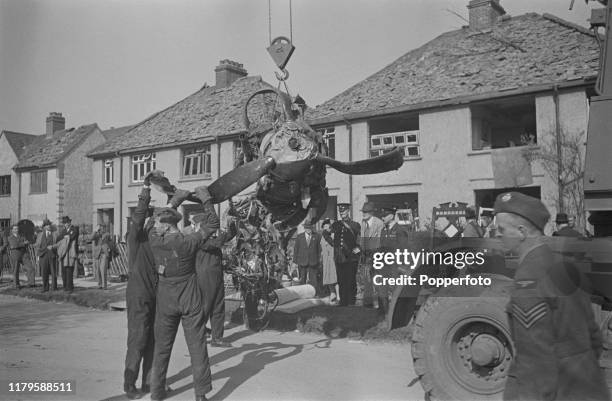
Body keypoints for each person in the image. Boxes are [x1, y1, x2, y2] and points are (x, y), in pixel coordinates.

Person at [493, 192, 609, 401]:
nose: (497, 235)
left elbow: (535, 363)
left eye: (501, 229)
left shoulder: (528, 279)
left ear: (521, 232)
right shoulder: (564, 265)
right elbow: (594, 336)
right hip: (588, 385)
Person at [148, 185, 218, 401]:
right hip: (189, 297)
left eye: (160, 224)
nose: (156, 226)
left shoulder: (155, 241)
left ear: (167, 227)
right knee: (197, 345)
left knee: (161, 346)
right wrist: (206, 199)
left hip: (166, 298)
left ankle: (157, 392)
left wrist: (174, 201)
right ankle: (201, 394)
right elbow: (213, 223)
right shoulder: (190, 241)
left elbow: (152, 223)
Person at [123, 173, 158, 399]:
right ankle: (129, 384)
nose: (155, 225)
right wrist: (145, 189)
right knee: (138, 339)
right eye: (151, 221)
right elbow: (138, 218)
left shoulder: (155, 243)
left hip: (154, 296)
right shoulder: (135, 239)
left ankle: (148, 383)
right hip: (137, 296)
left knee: (153, 340)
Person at [192, 210, 236, 348]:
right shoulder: (197, 238)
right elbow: (216, 243)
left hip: (216, 277)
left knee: (218, 307)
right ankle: (198, 334)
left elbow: (229, 235)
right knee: (205, 307)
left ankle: (217, 338)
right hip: (205, 278)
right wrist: (223, 231)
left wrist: (232, 224)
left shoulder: (212, 238)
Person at [378, 206, 408, 316]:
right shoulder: (383, 230)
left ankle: (397, 313)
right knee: (382, 288)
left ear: (391, 216)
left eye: (384, 216)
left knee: (396, 289)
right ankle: (384, 312)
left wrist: (402, 265)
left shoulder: (400, 230)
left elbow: (404, 248)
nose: (382, 218)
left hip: (395, 265)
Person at [331, 203, 361, 306]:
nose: (342, 213)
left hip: (351, 259)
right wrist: (335, 247)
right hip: (339, 257)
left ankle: (351, 301)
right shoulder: (336, 225)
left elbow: (360, 242)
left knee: (351, 280)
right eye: (340, 211)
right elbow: (326, 234)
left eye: (343, 211)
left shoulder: (355, 225)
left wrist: (355, 252)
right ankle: (343, 302)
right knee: (341, 280)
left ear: (348, 211)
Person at [360, 201, 383, 308]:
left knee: (377, 281)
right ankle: (367, 304)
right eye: (363, 211)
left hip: (376, 257)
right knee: (367, 280)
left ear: (372, 212)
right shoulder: (363, 223)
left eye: (366, 212)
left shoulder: (379, 223)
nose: (364, 213)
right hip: (365, 257)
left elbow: (379, 242)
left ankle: (381, 304)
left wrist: (373, 256)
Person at [293, 222, 322, 294]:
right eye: (307, 228)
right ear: (304, 228)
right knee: (302, 279)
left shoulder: (317, 236)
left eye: (310, 227)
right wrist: (295, 262)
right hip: (302, 261)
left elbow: (319, 249)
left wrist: (319, 260)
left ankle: (314, 293)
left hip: (313, 261)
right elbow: (296, 249)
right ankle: (302, 294)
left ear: (312, 228)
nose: (308, 229)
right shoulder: (299, 237)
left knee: (314, 279)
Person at [8, 224, 34, 289]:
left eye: (17, 229)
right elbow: (14, 245)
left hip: (24, 254)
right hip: (15, 255)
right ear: (12, 230)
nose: (17, 230)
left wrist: (23, 244)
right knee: (16, 270)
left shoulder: (22, 236)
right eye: (15, 229)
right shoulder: (10, 238)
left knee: (30, 267)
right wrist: (23, 243)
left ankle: (31, 283)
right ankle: (16, 285)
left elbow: (26, 242)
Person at [35, 219, 58, 292]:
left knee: (53, 272)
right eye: (46, 225)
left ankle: (54, 287)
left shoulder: (55, 234)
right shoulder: (40, 235)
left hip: (52, 255)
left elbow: (58, 244)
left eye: (49, 225)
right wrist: (38, 256)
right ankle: (45, 287)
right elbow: (37, 246)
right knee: (44, 272)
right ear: (44, 227)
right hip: (43, 255)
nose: (48, 226)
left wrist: (53, 247)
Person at [320, 219, 339, 304]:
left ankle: (338, 295)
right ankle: (332, 294)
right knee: (328, 277)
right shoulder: (322, 237)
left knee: (335, 278)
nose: (326, 228)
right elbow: (321, 248)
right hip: (326, 260)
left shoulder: (333, 235)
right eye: (325, 226)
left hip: (333, 259)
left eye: (328, 226)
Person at [58, 216, 79, 292]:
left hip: (70, 252)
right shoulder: (63, 231)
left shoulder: (74, 229)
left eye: (67, 222)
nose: (66, 224)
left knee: (69, 271)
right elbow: (59, 238)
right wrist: (65, 236)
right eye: (64, 223)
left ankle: (70, 287)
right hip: (64, 253)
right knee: (64, 271)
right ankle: (65, 287)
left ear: (70, 222)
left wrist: (67, 236)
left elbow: (72, 236)